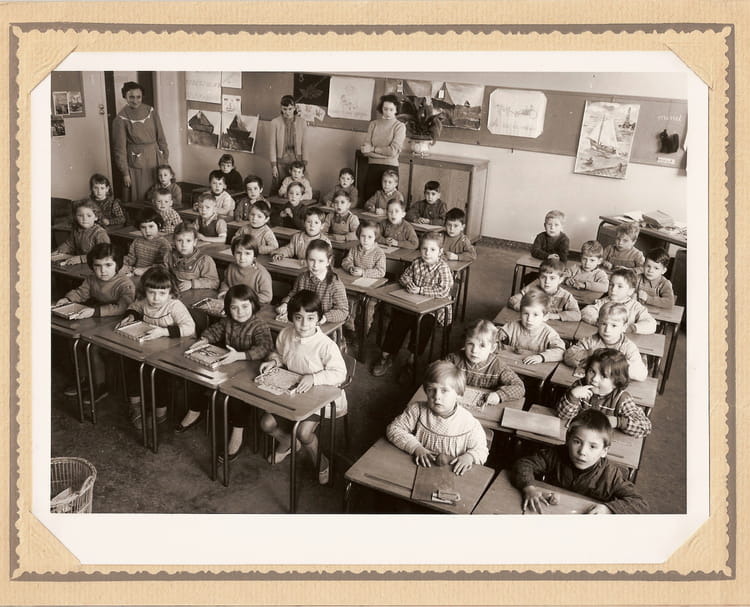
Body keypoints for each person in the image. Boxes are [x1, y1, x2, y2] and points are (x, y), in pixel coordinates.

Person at [259, 290, 347, 484]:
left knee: (303, 432)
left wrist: (314, 378)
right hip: (292, 392)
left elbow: (340, 373)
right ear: (291, 318)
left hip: (320, 397)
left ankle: (320, 461)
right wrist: (274, 362)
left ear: (319, 319)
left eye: (310, 318)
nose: (304, 324)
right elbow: (280, 355)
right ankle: (288, 442)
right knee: (266, 424)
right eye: (298, 318)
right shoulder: (286, 334)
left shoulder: (326, 345)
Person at [176, 286, 273, 459]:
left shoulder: (260, 325)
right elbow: (214, 331)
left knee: (237, 396)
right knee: (197, 377)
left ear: (253, 305)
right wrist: (204, 339)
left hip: (250, 372)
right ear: (228, 308)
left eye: (245, 306)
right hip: (229, 366)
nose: (240, 312)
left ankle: (238, 432)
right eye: (234, 307)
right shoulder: (227, 321)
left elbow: (264, 348)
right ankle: (195, 411)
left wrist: (240, 355)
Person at [511, 409, 648, 514]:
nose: (582, 451)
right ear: (568, 439)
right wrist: (528, 487)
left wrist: (608, 509)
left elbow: (640, 504)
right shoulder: (555, 455)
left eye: (592, 446)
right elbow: (524, 464)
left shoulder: (610, 475)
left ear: (604, 451)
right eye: (577, 442)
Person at [116, 266, 195, 430]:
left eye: (162, 293)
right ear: (144, 291)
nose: (156, 298)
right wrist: (130, 316)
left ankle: (160, 412)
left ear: (170, 293)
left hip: (175, 351)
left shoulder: (174, 306)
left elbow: (190, 328)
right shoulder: (144, 301)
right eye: (151, 292)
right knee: (131, 364)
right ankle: (135, 406)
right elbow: (135, 307)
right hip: (151, 348)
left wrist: (164, 332)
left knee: (159, 375)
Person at [56, 243, 136, 400]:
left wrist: (94, 311)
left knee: (93, 347)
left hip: (117, 322)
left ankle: (100, 385)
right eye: (97, 266)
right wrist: (67, 299)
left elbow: (124, 307)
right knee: (75, 342)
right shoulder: (92, 279)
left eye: (108, 265)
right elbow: (81, 293)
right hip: (98, 319)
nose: (102, 270)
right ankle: (84, 379)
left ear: (118, 265)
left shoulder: (125, 283)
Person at [373, 232, 454, 378]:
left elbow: (444, 290)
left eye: (432, 250)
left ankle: (411, 361)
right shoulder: (416, 262)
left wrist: (421, 290)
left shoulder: (443, 268)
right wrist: (409, 284)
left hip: (433, 309)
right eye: (424, 249)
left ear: (440, 252)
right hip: (412, 303)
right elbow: (404, 277)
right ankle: (386, 355)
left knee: (424, 325)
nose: (427, 253)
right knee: (398, 320)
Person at [386, 360, 488, 475]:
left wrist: (470, 457)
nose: (437, 396)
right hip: (417, 466)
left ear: (459, 394)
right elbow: (393, 429)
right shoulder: (417, 410)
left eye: (444, 391)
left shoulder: (469, 423)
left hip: (452, 473)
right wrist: (416, 447)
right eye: (431, 390)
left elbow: (482, 451)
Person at [557, 348, 652, 438]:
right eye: (592, 371)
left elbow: (645, 427)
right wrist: (572, 397)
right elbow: (563, 416)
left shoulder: (622, 399)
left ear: (616, 382)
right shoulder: (580, 386)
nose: (594, 379)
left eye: (603, 376)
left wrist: (618, 422)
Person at [111, 81, 169, 202]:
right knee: (140, 195)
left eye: (139, 97)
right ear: (125, 96)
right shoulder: (121, 118)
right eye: (131, 97)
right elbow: (119, 150)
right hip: (136, 162)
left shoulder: (151, 111)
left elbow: (161, 137)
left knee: (159, 195)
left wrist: (165, 159)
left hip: (155, 158)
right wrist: (125, 173)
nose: (135, 100)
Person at [444, 320, 525, 404]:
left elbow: (519, 387)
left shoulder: (498, 366)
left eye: (482, 346)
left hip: (485, 406)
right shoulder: (452, 360)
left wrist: (499, 395)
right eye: (470, 344)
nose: (474, 350)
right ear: (464, 343)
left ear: (492, 348)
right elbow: (436, 376)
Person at [564, 302, 648, 381]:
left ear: (624, 327)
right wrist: (587, 354)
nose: (607, 330)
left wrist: (614, 364)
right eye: (603, 324)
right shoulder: (590, 341)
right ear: (597, 323)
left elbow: (641, 374)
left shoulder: (628, 347)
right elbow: (568, 356)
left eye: (614, 325)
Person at [275, 239, 348, 326]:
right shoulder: (302, 277)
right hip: (302, 322)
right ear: (306, 259)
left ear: (328, 261)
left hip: (324, 326)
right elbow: (293, 295)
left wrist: (325, 317)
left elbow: (343, 311)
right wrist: (285, 304)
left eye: (321, 261)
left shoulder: (335, 284)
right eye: (311, 260)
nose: (315, 265)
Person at [341, 221, 386, 336]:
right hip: (355, 286)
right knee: (349, 299)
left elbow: (381, 272)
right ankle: (350, 328)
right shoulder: (354, 249)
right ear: (358, 236)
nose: (365, 240)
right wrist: (350, 267)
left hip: (371, 290)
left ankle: (365, 332)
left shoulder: (379, 253)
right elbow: (346, 261)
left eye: (370, 237)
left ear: (375, 237)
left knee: (368, 306)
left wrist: (363, 272)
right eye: (363, 236)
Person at [498, 290, 565, 364]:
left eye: (535, 315)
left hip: (536, 368)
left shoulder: (549, 334)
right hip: (512, 363)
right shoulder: (512, 326)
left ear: (545, 317)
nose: (529, 319)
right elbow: (496, 334)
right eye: (526, 313)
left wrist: (541, 357)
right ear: (520, 313)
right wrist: (497, 335)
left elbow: (561, 351)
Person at [581, 268, 657, 334]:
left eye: (620, 286)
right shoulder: (604, 301)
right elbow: (586, 312)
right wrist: (600, 322)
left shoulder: (635, 306)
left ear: (630, 291)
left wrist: (632, 328)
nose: (613, 289)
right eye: (611, 285)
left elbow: (651, 324)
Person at [360, 94, 406, 201]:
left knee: (389, 204)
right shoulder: (373, 124)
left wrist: (373, 149)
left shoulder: (399, 126)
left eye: (391, 109)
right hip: (373, 168)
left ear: (396, 110)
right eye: (385, 109)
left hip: (390, 169)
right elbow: (365, 151)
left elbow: (393, 151)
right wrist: (386, 154)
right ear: (381, 108)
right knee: (369, 202)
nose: (388, 112)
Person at [508, 258, 581, 322]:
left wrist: (554, 316)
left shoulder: (566, 296)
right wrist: (527, 310)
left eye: (552, 278)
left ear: (560, 280)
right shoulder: (531, 290)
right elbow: (512, 300)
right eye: (543, 277)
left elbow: (577, 315)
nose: (547, 281)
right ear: (539, 278)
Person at [218, 235, 273, 305]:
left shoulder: (261, 273)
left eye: (247, 253)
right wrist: (224, 292)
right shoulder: (231, 267)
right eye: (238, 253)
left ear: (254, 256)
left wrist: (242, 300)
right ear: (233, 254)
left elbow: (267, 296)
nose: (242, 257)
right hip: (233, 303)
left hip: (254, 306)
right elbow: (225, 283)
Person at [52, 199, 110, 266]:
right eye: (80, 215)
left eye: (89, 216)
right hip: (78, 262)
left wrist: (81, 259)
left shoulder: (100, 233)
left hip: (95, 264)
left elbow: (104, 253)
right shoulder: (76, 230)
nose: (84, 219)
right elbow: (69, 244)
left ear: (96, 217)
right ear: (75, 217)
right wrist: (59, 251)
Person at [165, 223, 220, 292]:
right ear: (174, 241)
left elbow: (215, 283)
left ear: (195, 242)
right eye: (179, 240)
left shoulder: (204, 260)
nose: (184, 245)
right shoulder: (170, 256)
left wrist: (192, 283)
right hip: (177, 292)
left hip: (198, 294)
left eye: (188, 241)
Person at [269, 95, 308, 191]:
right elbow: (272, 146)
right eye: (284, 109)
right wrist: (274, 166)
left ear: (294, 108)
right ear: (281, 108)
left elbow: (305, 144)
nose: (287, 112)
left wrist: (304, 163)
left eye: (290, 109)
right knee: (278, 185)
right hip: (281, 160)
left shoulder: (302, 122)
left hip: (297, 160)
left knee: (298, 186)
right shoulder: (275, 122)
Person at [121, 209, 171, 277]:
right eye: (143, 227)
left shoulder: (164, 244)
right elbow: (131, 258)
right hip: (137, 273)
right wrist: (122, 264)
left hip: (154, 277)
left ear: (159, 225)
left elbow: (164, 265)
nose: (147, 231)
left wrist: (145, 270)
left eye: (151, 226)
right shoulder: (137, 241)